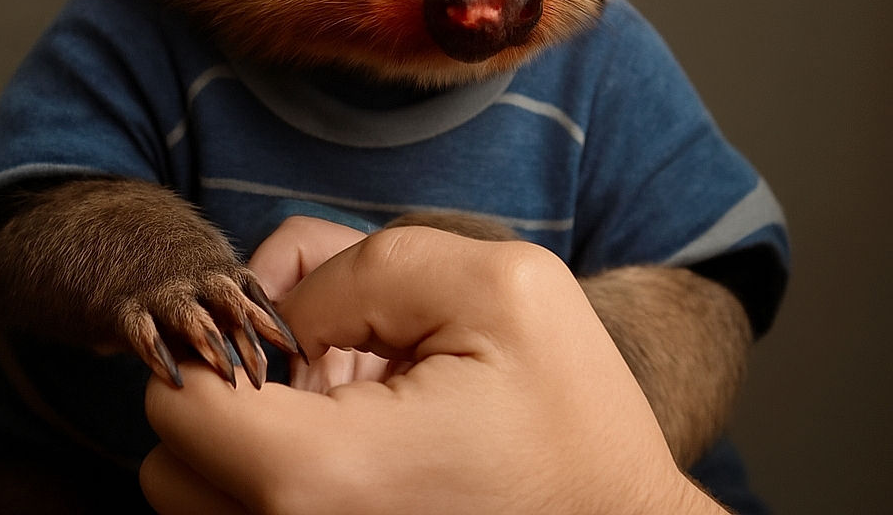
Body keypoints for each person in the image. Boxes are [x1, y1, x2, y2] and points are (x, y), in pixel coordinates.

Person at [141, 218, 730, 515]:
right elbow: (60, 210)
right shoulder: (137, 28)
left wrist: (629, 495)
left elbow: (716, 292)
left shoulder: (611, 64)